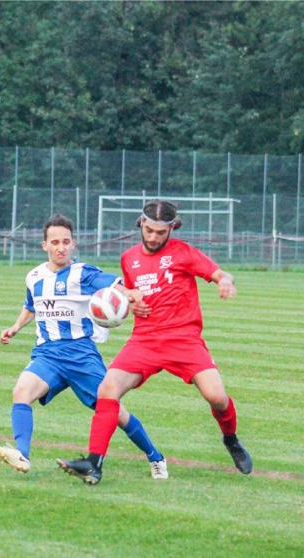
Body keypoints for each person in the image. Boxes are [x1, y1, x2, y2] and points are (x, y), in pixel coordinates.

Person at [57, 200, 252, 484]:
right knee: (107, 389)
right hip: (145, 340)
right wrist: (129, 305)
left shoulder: (184, 253)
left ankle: (231, 439)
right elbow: (130, 295)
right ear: (141, 224)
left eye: (161, 232)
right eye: (149, 230)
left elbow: (220, 273)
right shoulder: (129, 258)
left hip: (184, 339)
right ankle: (93, 463)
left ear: (172, 228)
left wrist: (225, 282)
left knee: (217, 397)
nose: (154, 237)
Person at [0, 214, 168, 479]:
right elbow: (31, 306)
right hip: (47, 354)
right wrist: (15, 327)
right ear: (44, 245)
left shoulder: (82, 273)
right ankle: (22, 454)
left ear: (73, 244)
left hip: (81, 356)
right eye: (55, 242)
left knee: (114, 412)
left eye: (66, 242)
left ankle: (155, 457)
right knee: (22, 391)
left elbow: (113, 283)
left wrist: (129, 294)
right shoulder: (34, 276)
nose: (61, 247)